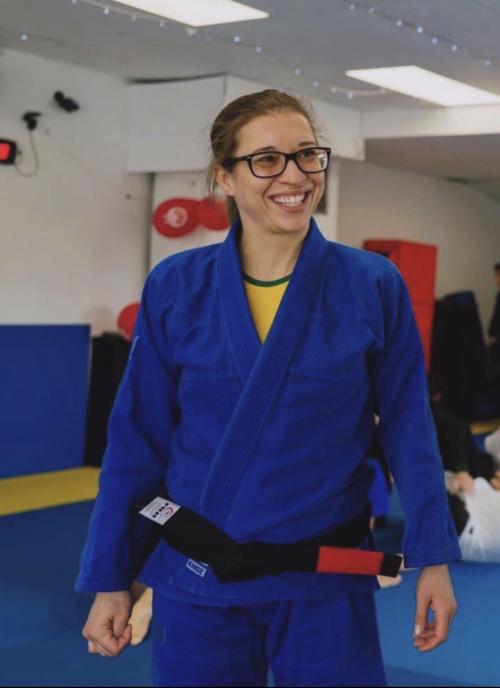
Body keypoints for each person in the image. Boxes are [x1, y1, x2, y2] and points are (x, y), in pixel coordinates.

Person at [76, 90, 459, 687]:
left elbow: (410, 427)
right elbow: (136, 441)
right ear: (225, 177)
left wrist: (433, 555)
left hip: (325, 579)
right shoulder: (177, 286)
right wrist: (110, 576)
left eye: (307, 154)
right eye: (266, 159)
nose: (295, 175)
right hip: (199, 576)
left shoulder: (371, 284)